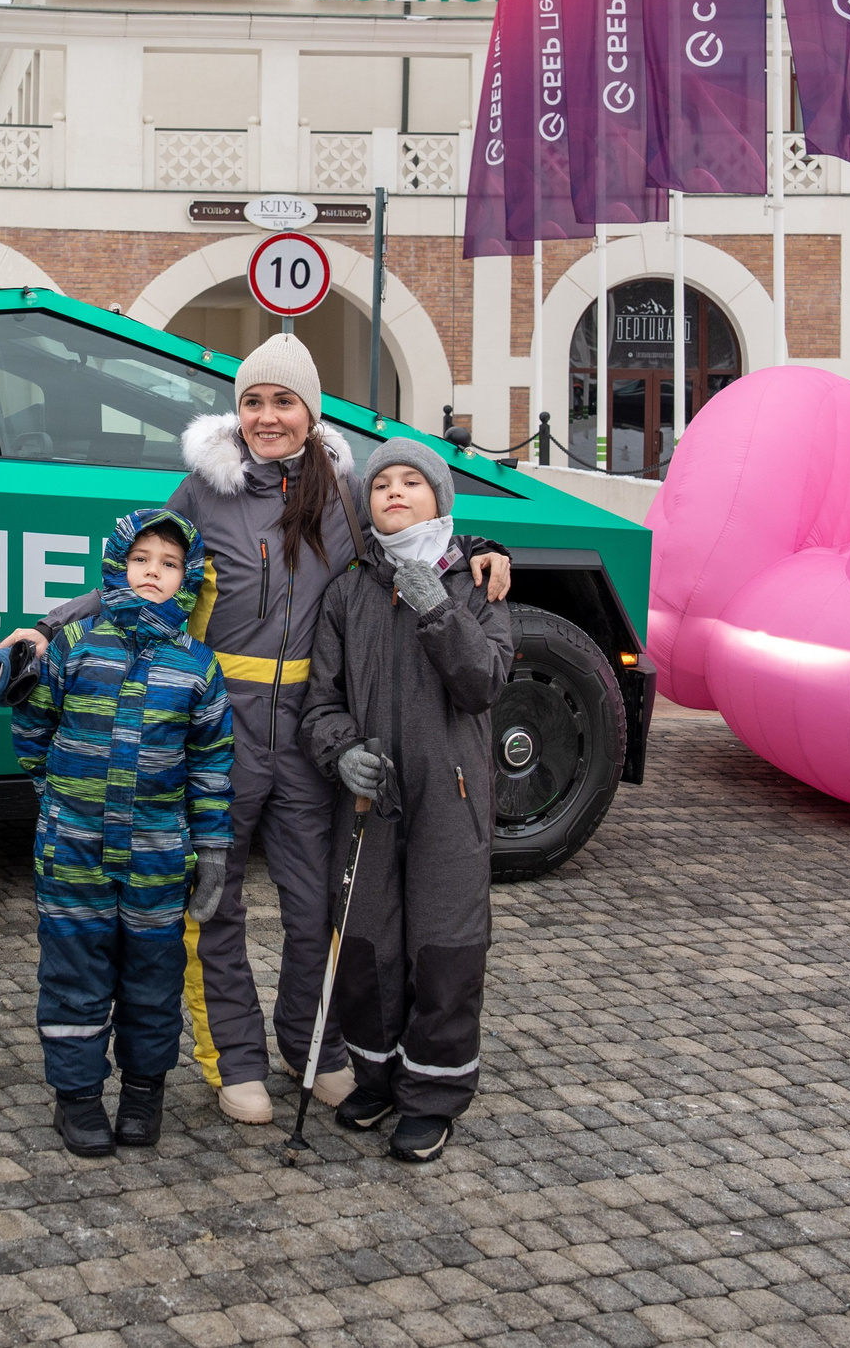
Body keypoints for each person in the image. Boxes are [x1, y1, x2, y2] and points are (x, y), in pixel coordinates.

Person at [6, 336, 513, 1126]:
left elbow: (411, 538)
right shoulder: (204, 492)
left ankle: (315, 1044)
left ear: (311, 411)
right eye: (253, 402)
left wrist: (485, 551)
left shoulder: (345, 490)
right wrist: (48, 627)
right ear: (236, 410)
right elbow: (140, 576)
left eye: (284, 401)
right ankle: (234, 1055)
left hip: (310, 732)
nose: (267, 417)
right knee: (215, 899)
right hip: (220, 727)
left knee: (319, 904)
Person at [301, 438, 513, 1163]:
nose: (394, 491)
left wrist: (437, 608)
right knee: (367, 947)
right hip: (369, 804)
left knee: (445, 951)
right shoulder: (348, 591)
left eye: (412, 482)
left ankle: (433, 1096)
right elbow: (320, 702)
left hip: (450, 806)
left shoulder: (478, 587)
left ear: (440, 501)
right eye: (382, 482)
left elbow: (483, 682)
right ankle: (380, 1077)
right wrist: (340, 752)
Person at [10, 510, 233, 1156]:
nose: (152, 573)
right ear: (116, 567)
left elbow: (212, 765)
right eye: (141, 561)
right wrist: (51, 791)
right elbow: (33, 724)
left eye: (168, 564)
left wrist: (212, 849)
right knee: (75, 973)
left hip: (158, 858)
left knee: (152, 978)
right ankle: (76, 1099)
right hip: (72, 850)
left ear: (187, 578)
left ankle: (143, 1094)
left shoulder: (197, 667)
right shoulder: (78, 645)